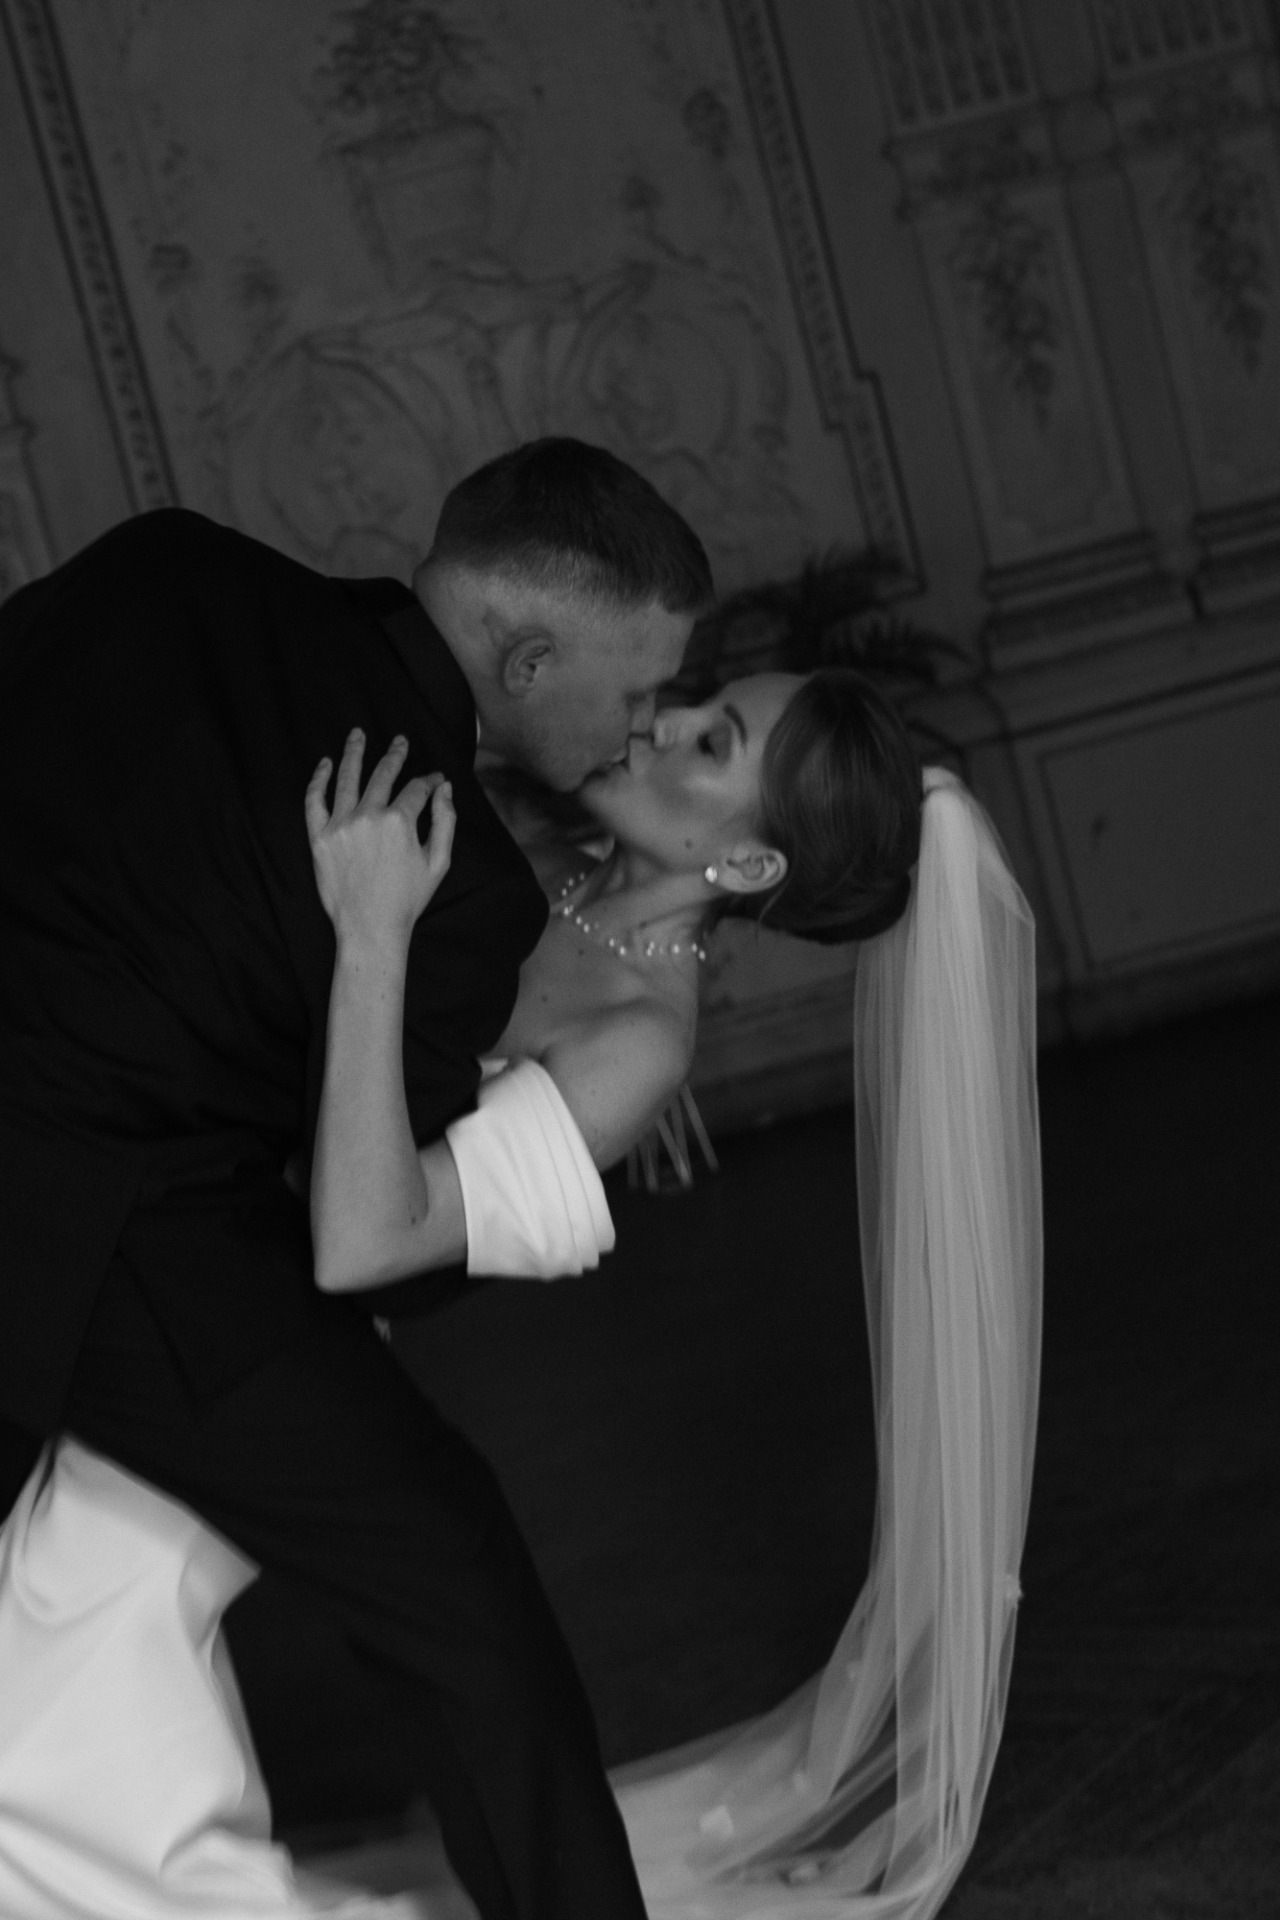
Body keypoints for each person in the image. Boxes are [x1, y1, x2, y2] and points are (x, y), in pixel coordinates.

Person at [0, 664, 1043, 1920]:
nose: (661, 719)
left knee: (46, 1691)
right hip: (144, 1247)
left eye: (712, 742)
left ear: (747, 864)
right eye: (697, 696)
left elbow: (364, 1245)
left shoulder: (635, 1042)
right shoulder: (533, 868)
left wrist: (372, 933)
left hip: (257, 1346)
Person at [0, 438, 712, 1920]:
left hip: (97, 1188)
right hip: (117, 1217)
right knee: (453, 1581)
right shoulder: (452, 872)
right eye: (636, 690)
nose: (640, 727)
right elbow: (373, 1233)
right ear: (525, 659)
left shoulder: (166, 562)